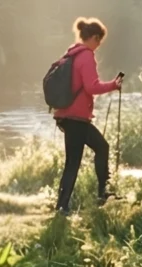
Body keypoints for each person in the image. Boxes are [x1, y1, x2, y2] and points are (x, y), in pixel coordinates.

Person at [50, 18, 121, 214]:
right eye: (99, 42)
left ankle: (100, 193)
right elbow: (92, 86)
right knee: (75, 160)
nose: (98, 46)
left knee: (100, 147)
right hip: (76, 118)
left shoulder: (71, 54)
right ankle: (64, 205)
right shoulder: (86, 56)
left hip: (67, 115)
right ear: (95, 38)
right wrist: (113, 85)